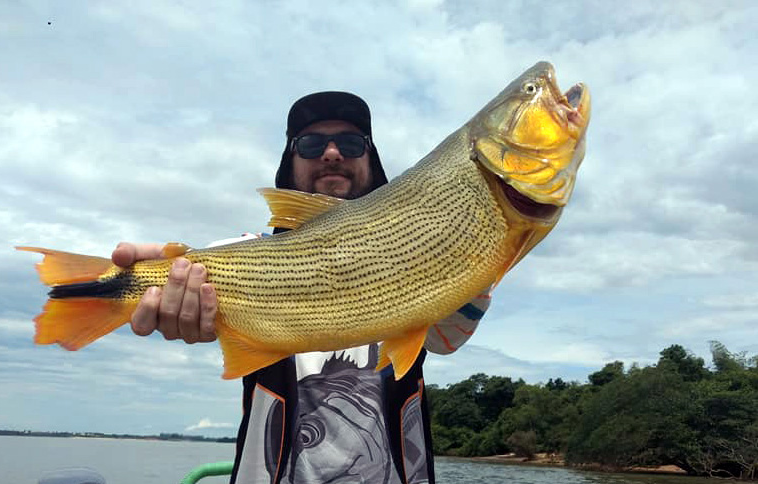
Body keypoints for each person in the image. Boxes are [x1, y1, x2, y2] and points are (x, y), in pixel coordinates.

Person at [111, 92, 490, 484]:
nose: (330, 154)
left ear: (371, 161)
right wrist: (151, 275)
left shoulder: (422, 257)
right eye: (309, 144)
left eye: (350, 143)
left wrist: (475, 241)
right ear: (288, 163)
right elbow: (197, 263)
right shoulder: (248, 253)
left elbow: (446, 339)